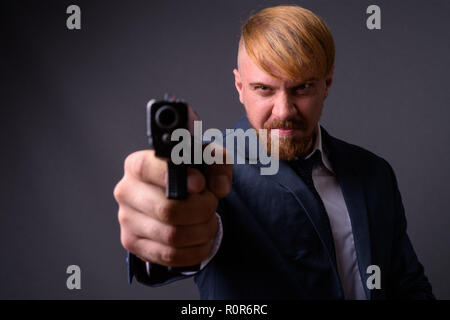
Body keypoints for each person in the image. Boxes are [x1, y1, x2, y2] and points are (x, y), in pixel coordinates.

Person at [113, 5, 434, 299]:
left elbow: (407, 284)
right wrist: (163, 225)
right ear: (240, 88)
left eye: (302, 88)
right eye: (264, 88)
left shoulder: (374, 172)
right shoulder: (212, 169)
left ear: (328, 82)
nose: (284, 110)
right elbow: (175, 239)